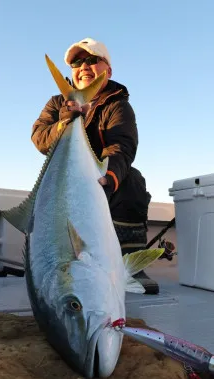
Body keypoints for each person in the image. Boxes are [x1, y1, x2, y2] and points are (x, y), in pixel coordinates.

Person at [31, 38, 159, 295]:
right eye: (77, 62)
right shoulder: (57, 104)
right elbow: (39, 139)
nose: (84, 66)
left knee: (132, 181)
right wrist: (64, 123)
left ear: (108, 70)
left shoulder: (117, 105)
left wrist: (109, 176)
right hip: (65, 179)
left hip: (101, 178)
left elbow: (122, 146)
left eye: (92, 60)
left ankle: (129, 265)